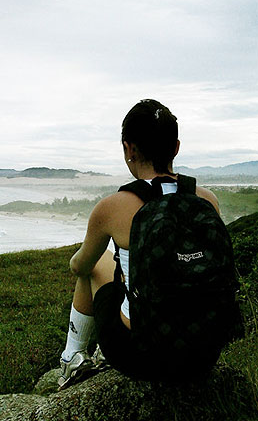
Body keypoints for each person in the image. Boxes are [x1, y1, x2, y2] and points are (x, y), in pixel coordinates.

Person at [57, 99, 225, 389]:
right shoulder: (207, 200)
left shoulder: (112, 207)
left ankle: (72, 358)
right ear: (176, 147)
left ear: (129, 149)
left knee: (95, 264)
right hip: (203, 353)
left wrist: (79, 262)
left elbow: (79, 266)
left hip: (141, 356)